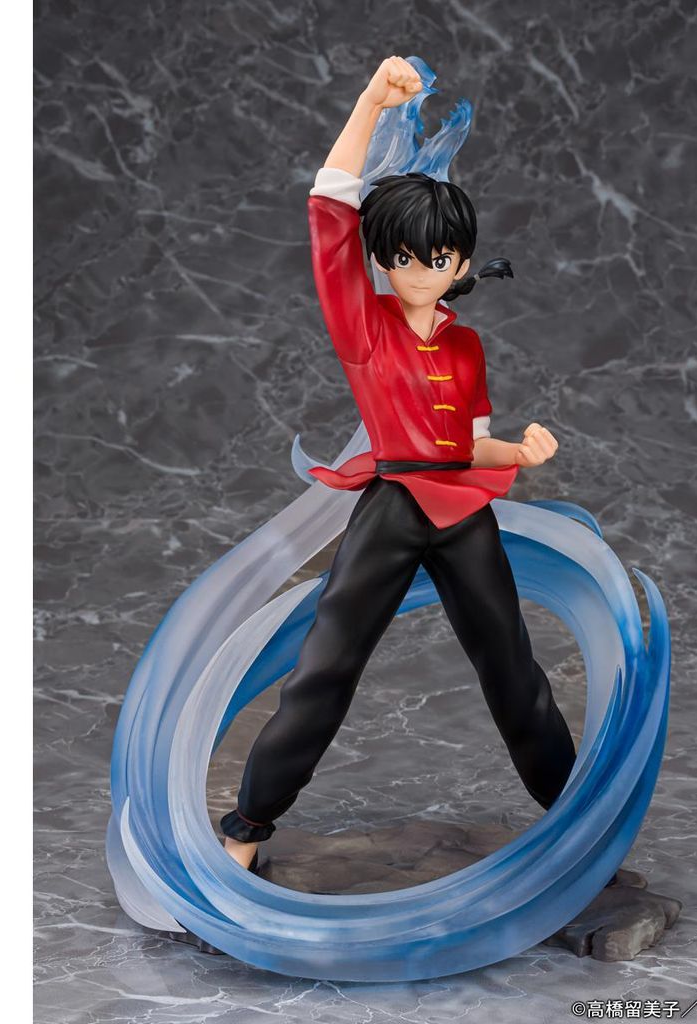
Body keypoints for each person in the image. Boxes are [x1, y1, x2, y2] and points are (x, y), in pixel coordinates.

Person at [220, 56, 577, 879]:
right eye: (406, 258)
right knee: (327, 666)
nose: (422, 272)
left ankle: (573, 821)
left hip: (463, 512)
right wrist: (370, 103)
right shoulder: (365, 325)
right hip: (390, 510)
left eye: (439, 258)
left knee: (513, 669)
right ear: (386, 259)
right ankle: (247, 824)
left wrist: (520, 451)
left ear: (460, 263)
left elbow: (472, 443)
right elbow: (329, 209)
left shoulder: (465, 344)